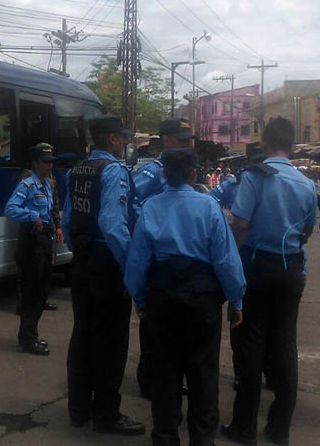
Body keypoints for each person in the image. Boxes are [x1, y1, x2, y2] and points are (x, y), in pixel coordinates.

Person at [124, 147, 246, 446]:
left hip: (162, 300)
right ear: (194, 173)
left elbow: (137, 263)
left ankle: (165, 438)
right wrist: (237, 299)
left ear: (164, 172)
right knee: (204, 374)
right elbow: (226, 261)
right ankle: (202, 440)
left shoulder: (151, 208)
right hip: (202, 301)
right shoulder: (208, 207)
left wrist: (139, 299)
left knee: (165, 375)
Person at [222, 117, 318, 445]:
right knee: (284, 345)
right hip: (290, 268)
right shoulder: (307, 184)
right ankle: (279, 428)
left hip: (255, 265)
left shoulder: (254, 176)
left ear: (264, 142)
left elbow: (242, 224)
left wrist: (230, 260)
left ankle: (244, 428)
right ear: (292, 145)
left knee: (250, 346)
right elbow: (308, 229)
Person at [63, 114, 145, 435]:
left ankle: (78, 408)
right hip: (107, 266)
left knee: (82, 336)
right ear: (112, 139)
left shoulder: (77, 170)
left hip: (82, 263)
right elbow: (113, 225)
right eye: (123, 138)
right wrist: (131, 269)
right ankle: (106, 415)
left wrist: (79, 251)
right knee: (110, 343)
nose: (126, 143)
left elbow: (68, 219)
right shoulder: (113, 171)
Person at [134, 117, 194, 399]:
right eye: (181, 139)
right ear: (167, 140)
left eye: (188, 140)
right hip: (156, 255)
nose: (186, 144)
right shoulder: (151, 171)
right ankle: (149, 379)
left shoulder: (183, 166)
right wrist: (151, 221)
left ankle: (170, 377)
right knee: (153, 328)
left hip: (183, 260)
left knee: (178, 331)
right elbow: (129, 201)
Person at [4, 143, 61, 356]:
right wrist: (31, 216)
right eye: (45, 162)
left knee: (43, 291)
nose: (49, 166)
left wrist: (55, 227)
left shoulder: (46, 185)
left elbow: (51, 208)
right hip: (31, 242)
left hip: (44, 240)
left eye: (51, 163)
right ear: (36, 163)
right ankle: (29, 339)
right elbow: (10, 209)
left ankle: (29, 335)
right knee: (32, 293)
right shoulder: (27, 185)